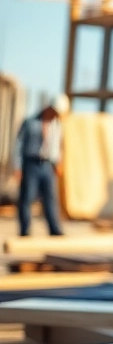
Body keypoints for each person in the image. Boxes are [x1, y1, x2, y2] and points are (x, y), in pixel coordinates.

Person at [15, 93, 67, 237]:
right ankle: (25, 230)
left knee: (50, 198)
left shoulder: (57, 125)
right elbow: (18, 145)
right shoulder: (30, 123)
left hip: (48, 165)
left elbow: (57, 146)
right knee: (27, 197)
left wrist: (58, 162)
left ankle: (54, 229)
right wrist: (18, 166)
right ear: (49, 108)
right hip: (31, 163)